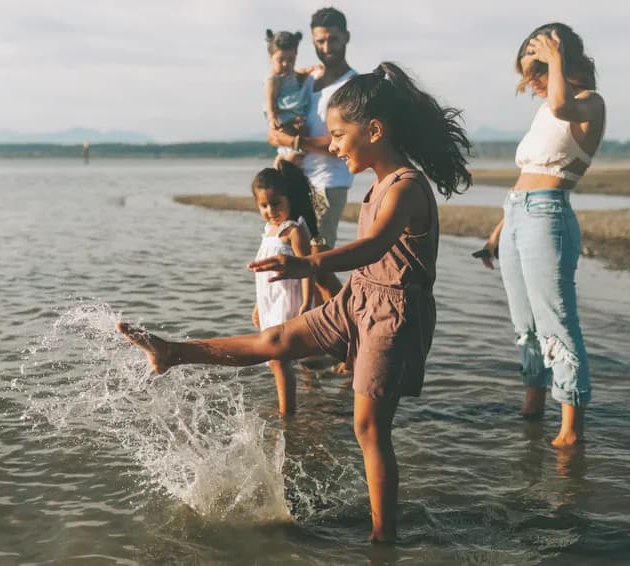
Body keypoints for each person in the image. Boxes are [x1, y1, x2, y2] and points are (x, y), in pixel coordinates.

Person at [118, 62, 472, 542]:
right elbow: (365, 246)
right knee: (276, 337)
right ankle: (173, 352)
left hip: (393, 314)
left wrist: (308, 264)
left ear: (375, 131)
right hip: (359, 299)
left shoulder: (406, 185)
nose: (334, 144)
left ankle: (382, 539)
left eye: (340, 135)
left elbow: (376, 245)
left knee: (368, 428)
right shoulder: (379, 179)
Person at [477, 23, 604, 448]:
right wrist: (501, 226)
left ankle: (570, 428)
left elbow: (562, 106)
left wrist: (553, 61)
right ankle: (533, 404)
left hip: (548, 216)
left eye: (537, 70)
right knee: (525, 325)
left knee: (557, 323)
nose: (530, 82)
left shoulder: (588, 103)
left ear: (559, 57)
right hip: (517, 215)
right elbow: (526, 175)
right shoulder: (547, 106)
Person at [267, 7, 357, 300]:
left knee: (319, 263)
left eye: (332, 40)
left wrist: (294, 142)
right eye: (320, 41)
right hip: (295, 181)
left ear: (346, 38)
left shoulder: (353, 85)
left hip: (328, 185)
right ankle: (301, 330)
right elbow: (275, 129)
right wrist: (281, 136)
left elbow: (347, 142)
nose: (326, 47)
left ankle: (348, 329)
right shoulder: (308, 79)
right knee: (290, 256)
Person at [251, 161, 320, 414]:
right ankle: (311, 391)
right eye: (264, 206)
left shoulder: (293, 231)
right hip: (271, 302)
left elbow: (308, 268)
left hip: (289, 303)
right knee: (275, 360)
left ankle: (286, 413)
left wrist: (306, 302)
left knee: (279, 359)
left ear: (288, 200)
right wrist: (259, 303)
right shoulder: (268, 231)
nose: (270, 211)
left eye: (276, 203)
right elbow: (263, 274)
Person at [263, 30, 311, 166]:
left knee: (302, 137)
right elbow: (270, 101)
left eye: (290, 60)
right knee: (295, 148)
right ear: (271, 58)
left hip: (295, 114)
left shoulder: (290, 74)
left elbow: (300, 73)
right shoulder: (273, 79)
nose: (286, 64)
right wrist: (272, 119)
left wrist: (311, 69)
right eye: (281, 60)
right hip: (283, 117)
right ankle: (282, 164)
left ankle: (284, 160)